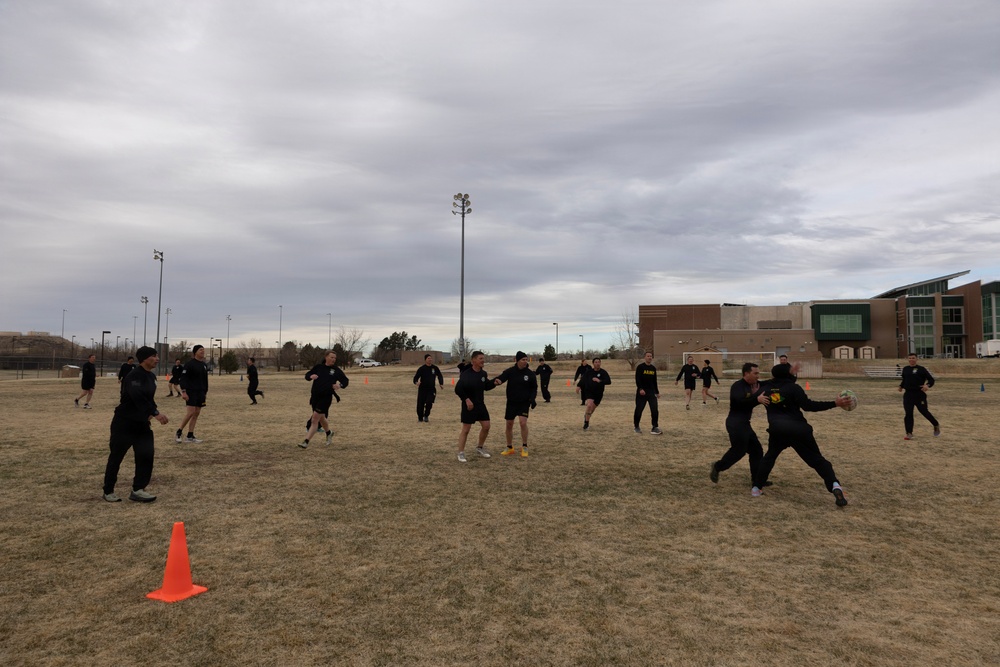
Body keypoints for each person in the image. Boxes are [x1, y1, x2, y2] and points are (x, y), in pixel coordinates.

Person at [752, 363, 853, 506]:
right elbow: (809, 406)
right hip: (799, 430)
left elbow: (767, 383)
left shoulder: (765, 389)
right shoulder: (794, 388)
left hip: (778, 430)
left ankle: (757, 488)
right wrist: (834, 403)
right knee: (817, 460)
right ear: (788, 374)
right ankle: (834, 485)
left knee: (769, 458)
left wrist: (785, 373)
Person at [102, 346, 167, 503]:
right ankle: (108, 490)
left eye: (157, 356)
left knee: (146, 455)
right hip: (124, 423)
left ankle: (138, 489)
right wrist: (155, 413)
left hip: (142, 424)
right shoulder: (134, 376)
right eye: (154, 356)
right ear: (144, 359)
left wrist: (153, 411)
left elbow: (149, 399)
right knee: (116, 456)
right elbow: (137, 397)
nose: (157, 359)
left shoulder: (152, 376)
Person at [710, 362, 769, 486]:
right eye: (755, 373)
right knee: (739, 451)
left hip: (745, 423)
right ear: (746, 373)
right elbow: (740, 402)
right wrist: (756, 399)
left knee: (756, 450)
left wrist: (790, 373)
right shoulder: (737, 386)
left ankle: (757, 480)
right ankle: (717, 466)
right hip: (735, 423)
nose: (758, 376)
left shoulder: (755, 384)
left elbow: (773, 382)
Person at [300, 350, 349, 448]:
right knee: (321, 418)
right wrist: (310, 376)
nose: (333, 359)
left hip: (326, 398)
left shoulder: (335, 370)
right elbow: (307, 375)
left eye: (335, 358)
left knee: (315, 419)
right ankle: (329, 433)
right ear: (326, 357)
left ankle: (306, 441)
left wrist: (339, 385)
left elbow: (345, 380)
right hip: (315, 397)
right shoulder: (319, 367)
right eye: (331, 357)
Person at [454, 350, 496, 462]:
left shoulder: (483, 374)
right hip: (468, 405)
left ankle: (480, 448)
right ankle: (461, 453)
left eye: (483, 358)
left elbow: (486, 386)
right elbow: (458, 389)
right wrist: (467, 400)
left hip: (480, 404)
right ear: (474, 360)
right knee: (466, 430)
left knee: (486, 426)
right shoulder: (466, 374)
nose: (483, 361)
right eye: (480, 359)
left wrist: (494, 383)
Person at [493, 351, 538, 457]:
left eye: (526, 359)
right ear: (517, 360)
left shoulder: (530, 374)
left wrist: (532, 399)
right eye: (523, 360)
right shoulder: (510, 371)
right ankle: (509, 447)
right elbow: (501, 378)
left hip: (524, 402)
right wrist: (498, 381)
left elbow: (534, 388)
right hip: (511, 402)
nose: (525, 361)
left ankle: (525, 446)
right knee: (509, 424)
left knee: (523, 423)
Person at [898, 353, 940, 440]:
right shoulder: (905, 369)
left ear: (917, 359)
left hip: (919, 394)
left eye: (913, 358)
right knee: (908, 413)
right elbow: (905, 379)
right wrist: (901, 386)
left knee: (924, 412)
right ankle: (909, 433)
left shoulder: (921, 369)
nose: (911, 360)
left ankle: (935, 424)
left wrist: (927, 385)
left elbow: (931, 380)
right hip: (908, 394)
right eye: (910, 358)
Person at [176, 345, 209, 444]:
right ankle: (179, 432)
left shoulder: (204, 365)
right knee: (190, 412)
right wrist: (184, 392)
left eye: (203, 350)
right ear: (195, 352)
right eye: (200, 350)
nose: (202, 351)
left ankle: (190, 436)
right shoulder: (189, 364)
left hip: (201, 392)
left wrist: (205, 392)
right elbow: (183, 379)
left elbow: (205, 380)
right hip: (191, 391)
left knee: (196, 413)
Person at [578, 357, 611, 430]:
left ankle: (586, 417)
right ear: (593, 363)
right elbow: (583, 379)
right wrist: (579, 386)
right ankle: (586, 423)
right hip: (589, 391)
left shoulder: (603, 372)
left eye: (599, 362)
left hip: (599, 393)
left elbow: (609, 381)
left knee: (592, 409)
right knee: (589, 405)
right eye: (596, 362)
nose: (597, 363)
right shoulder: (589, 372)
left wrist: (599, 381)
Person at [633, 351, 662, 435]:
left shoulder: (653, 368)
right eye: (648, 356)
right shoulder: (640, 367)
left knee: (654, 410)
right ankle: (636, 426)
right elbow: (637, 379)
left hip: (651, 392)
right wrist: (640, 389)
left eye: (651, 356)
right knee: (639, 409)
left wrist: (657, 392)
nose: (649, 357)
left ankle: (655, 427)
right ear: (645, 357)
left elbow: (654, 381)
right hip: (642, 392)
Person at [412, 354, 444, 422]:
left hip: (431, 389)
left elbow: (440, 375)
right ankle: (420, 418)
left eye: (430, 358)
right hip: (422, 389)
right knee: (420, 404)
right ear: (425, 360)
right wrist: (416, 382)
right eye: (428, 358)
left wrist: (441, 383)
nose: (430, 359)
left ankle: (426, 415)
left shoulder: (434, 368)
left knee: (429, 402)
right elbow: (415, 377)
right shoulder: (422, 368)